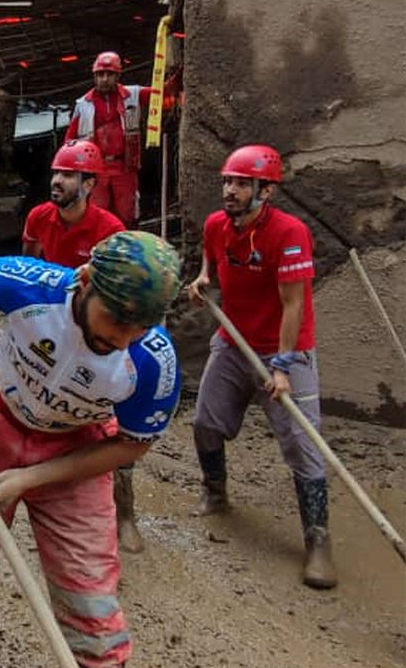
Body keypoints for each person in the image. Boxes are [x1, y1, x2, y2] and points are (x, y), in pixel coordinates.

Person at [0, 231, 182, 667]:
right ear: (84, 281)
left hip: (78, 451)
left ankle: (98, 659)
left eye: (139, 326)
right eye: (116, 319)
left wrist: (29, 478)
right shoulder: (32, 285)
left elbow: (133, 445)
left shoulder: (153, 362)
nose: (124, 337)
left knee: (89, 585)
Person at [187, 144, 336, 589]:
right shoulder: (217, 224)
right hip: (234, 340)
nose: (230, 191)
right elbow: (211, 260)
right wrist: (202, 278)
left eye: (241, 184)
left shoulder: (289, 234)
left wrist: (285, 366)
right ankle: (215, 492)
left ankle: (318, 541)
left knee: (303, 445)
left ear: (265, 191)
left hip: (286, 350)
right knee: (205, 422)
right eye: (227, 182)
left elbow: (294, 305)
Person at [21, 142, 147, 553]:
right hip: (56, 326)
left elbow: (121, 293)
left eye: (68, 175)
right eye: (56, 172)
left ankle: (124, 515)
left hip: (98, 330)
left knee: (109, 420)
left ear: (89, 184)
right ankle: (46, 491)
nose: (57, 181)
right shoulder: (39, 217)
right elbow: (29, 268)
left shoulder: (110, 230)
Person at [64, 51, 153, 227]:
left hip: (125, 167)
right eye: (100, 74)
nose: (104, 79)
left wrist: (177, 76)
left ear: (117, 75)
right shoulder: (83, 104)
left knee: (127, 215)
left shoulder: (132, 94)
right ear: (94, 76)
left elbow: (161, 94)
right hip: (95, 170)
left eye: (109, 74)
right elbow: (69, 141)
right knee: (96, 216)